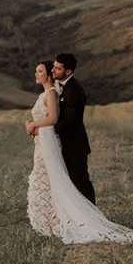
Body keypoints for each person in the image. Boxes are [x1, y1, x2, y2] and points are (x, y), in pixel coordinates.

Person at [26, 59, 133, 244]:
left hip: (52, 144)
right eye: (36, 71)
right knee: (49, 180)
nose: (36, 74)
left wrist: (33, 124)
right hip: (43, 143)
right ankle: (54, 219)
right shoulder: (49, 93)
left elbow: (53, 118)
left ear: (50, 74)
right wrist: (31, 125)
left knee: (55, 179)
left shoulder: (51, 93)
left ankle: (80, 218)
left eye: (40, 71)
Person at [52, 53, 95, 204]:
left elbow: (70, 121)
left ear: (68, 72)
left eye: (57, 68)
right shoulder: (58, 85)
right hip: (63, 143)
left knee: (80, 181)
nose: (53, 70)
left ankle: (92, 215)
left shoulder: (74, 90)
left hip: (74, 145)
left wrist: (48, 131)